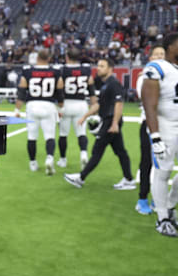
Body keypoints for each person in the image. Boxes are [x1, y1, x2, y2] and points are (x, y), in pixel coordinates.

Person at [64, 58, 134, 190]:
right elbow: (99, 105)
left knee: (97, 150)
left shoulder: (113, 84)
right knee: (120, 151)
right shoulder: (106, 84)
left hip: (110, 122)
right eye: (98, 66)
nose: (98, 68)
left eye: (102, 66)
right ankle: (129, 179)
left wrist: (114, 124)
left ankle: (81, 178)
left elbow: (119, 104)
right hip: (110, 121)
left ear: (110, 69)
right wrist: (85, 116)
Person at [141, 33, 178, 236]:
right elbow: (149, 104)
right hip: (165, 126)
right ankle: (162, 218)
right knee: (163, 172)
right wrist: (155, 135)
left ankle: (170, 206)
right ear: (171, 47)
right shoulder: (157, 68)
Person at [14, 49, 64, 174]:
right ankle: (49, 158)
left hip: (32, 105)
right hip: (48, 105)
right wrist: (61, 108)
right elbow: (60, 93)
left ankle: (33, 163)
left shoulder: (28, 71)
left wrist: (17, 109)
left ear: (37, 58)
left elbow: (21, 92)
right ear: (49, 58)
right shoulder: (56, 72)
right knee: (50, 136)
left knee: (32, 136)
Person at [134, 45, 165, 215]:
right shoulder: (144, 77)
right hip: (149, 125)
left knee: (162, 165)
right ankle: (142, 199)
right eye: (157, 54)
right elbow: (148, 99)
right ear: (150, 58)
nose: (160, 56)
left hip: (166, 125)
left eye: (163, 54)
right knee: (147, 162)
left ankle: (157, 198)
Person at [57, 48, 95, 169]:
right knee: (81, 133)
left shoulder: (63, 70)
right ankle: (83, 154)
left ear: (67, 57)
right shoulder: (86, 70)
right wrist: (94, 107)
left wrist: (60, 106)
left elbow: (59, 88)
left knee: (63, 134)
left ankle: (63, 160)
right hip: (81, 104)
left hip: (66, 103)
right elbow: (91, 89)